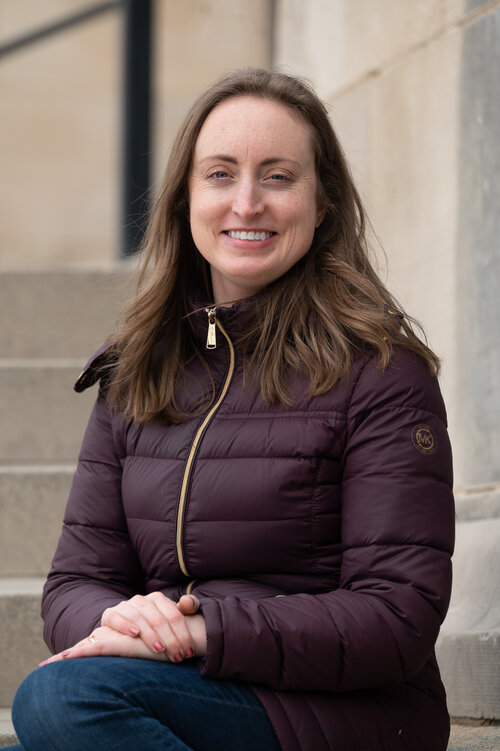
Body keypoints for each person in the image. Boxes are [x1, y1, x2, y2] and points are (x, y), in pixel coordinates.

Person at [7, 68, 454, 751]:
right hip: (183, 687)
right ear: (186, 198)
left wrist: (201, 628)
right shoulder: (138, 370)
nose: (247, 202)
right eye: (220, 174)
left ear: (322, 201)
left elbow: (395, 615)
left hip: (348, 710)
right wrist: (128, 617)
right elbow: (77, 580)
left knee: (61, 699)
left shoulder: (382, 372)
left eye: (277, 177)